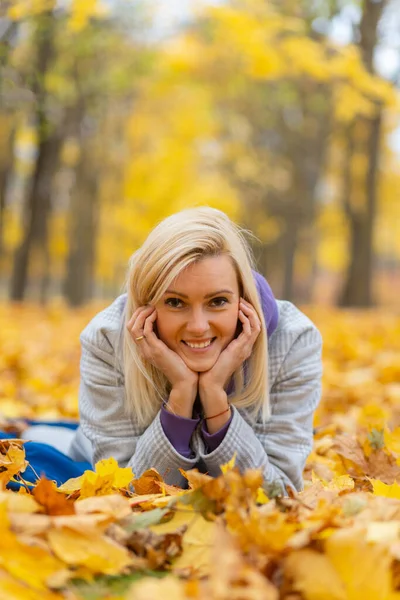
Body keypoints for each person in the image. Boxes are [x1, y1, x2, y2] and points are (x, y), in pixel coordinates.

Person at [65, 206, 323, 493]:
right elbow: (125, 493)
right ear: (147, 306)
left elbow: (279, 493)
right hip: (84, 448)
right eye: (175, 302)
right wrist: (181, 397)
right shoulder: (107, 340)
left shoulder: (294, 341)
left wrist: (214, 397)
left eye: (218, 301)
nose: (198, 326)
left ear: (243, 298)